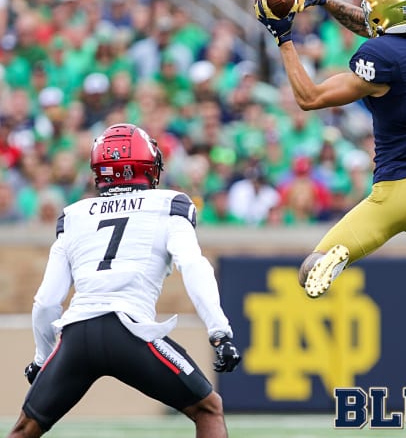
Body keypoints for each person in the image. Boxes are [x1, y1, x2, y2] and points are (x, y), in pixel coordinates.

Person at [255, 0, 406, 347]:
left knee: (312, 266)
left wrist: (284, 37)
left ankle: (336, 257)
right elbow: (382, 26)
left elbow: (310, 97)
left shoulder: (381, 59)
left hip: (399, 190)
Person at [7, 123, 241, 438]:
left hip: (77, 335)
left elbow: (47, 302)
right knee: (208, 409)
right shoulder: (170, 204)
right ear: (147, 165)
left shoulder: (74, 215)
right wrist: (219, 332)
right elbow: (194, 266)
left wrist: (42, 358)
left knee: (25, 428)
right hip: (129, 330)